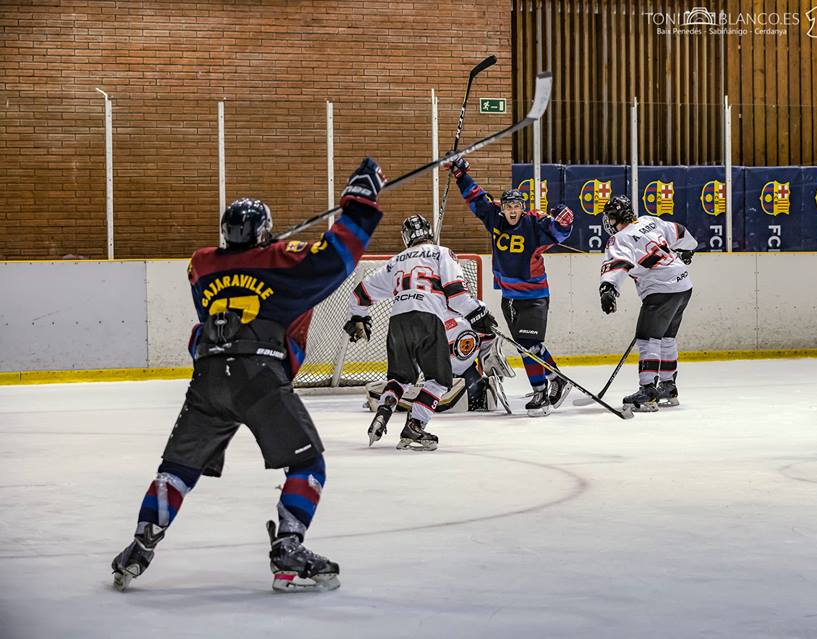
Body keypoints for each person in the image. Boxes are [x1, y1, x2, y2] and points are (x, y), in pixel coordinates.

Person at [110, 159, 386, 593]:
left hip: (207, 378)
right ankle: (289, 547)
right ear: (263, 231)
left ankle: (139, 547)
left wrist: (260, 251)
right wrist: (360, 200)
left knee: (178, 467)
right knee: (307, 461)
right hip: (258, 373)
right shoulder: (280, 261)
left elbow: (227, 282)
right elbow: (337, 257)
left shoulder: (201, 267)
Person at [345, 215, 496, 451]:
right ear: (428, 231)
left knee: (400, 377)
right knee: (439, 380)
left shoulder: (395, 261)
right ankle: (415, 426)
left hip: (398, 321)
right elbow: (456, 294)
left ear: (406, 238)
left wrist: (359, 317)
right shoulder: (442, 252)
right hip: (428, 318)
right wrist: (478, 313)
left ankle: (384, 412)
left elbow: (359, 294)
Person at [447, 156, 574, 416]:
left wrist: (565, 222)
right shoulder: (495, 218)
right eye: (508, 206)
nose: (512, 210)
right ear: (503, 208)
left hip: (534, 296)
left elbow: (559, 232)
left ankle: (540, 393)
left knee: (528, 345)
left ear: (523, 208)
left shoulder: (534, 223)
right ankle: (557, 379)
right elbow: (476, 198)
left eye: (517, 205)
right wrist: (461, 175)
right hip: (509, 297)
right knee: (530, 345)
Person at [598, 195, 697, 412]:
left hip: (661, 289)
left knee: (648, 339)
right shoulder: (648, 220)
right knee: (666, 337)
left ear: (614, 218)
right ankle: (668, 386)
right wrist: (689, 248)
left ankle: (648, 391)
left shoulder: (619, 238)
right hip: (683, 285)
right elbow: (680, 232)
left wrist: (608, 287)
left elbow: (618, 263)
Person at [362, 310, 514, 414]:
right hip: (434, 371)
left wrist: (490, 365)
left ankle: (394, 397)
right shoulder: (432, 312)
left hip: (465, 373)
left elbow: (489, 347)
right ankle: (395, 396)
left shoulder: (474, 312)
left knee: (475, 393)